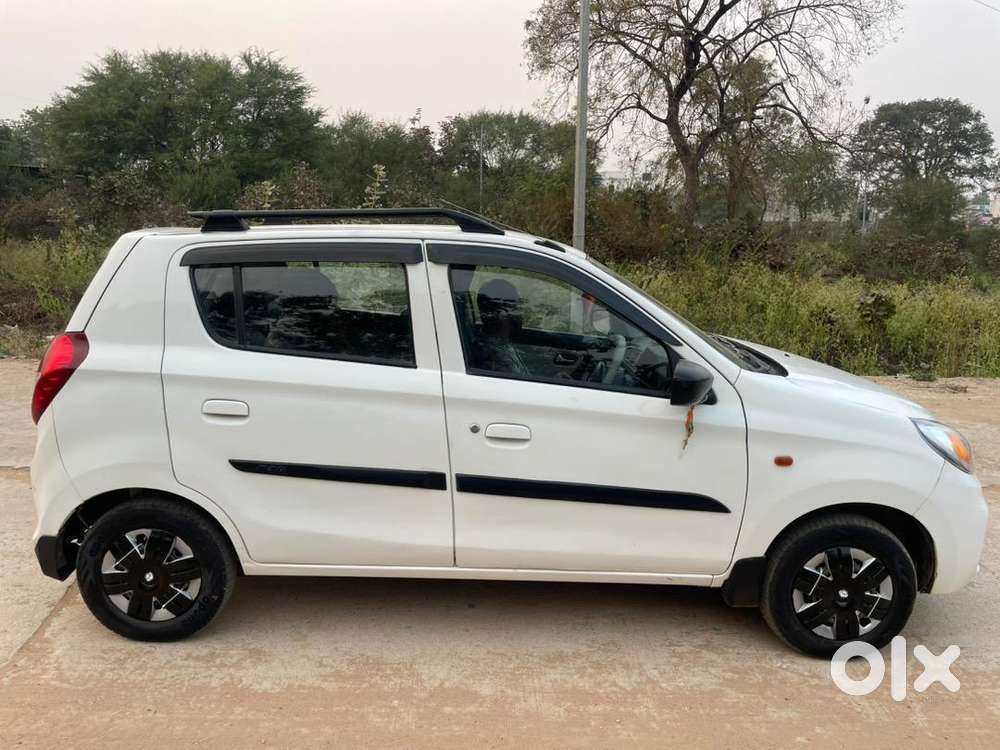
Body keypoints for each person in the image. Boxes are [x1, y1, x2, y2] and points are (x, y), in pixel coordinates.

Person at [474, 277, 530, 376]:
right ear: (500, 313)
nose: (521, 311)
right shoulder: (494, 357)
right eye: (515, 306)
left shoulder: (502, 343)